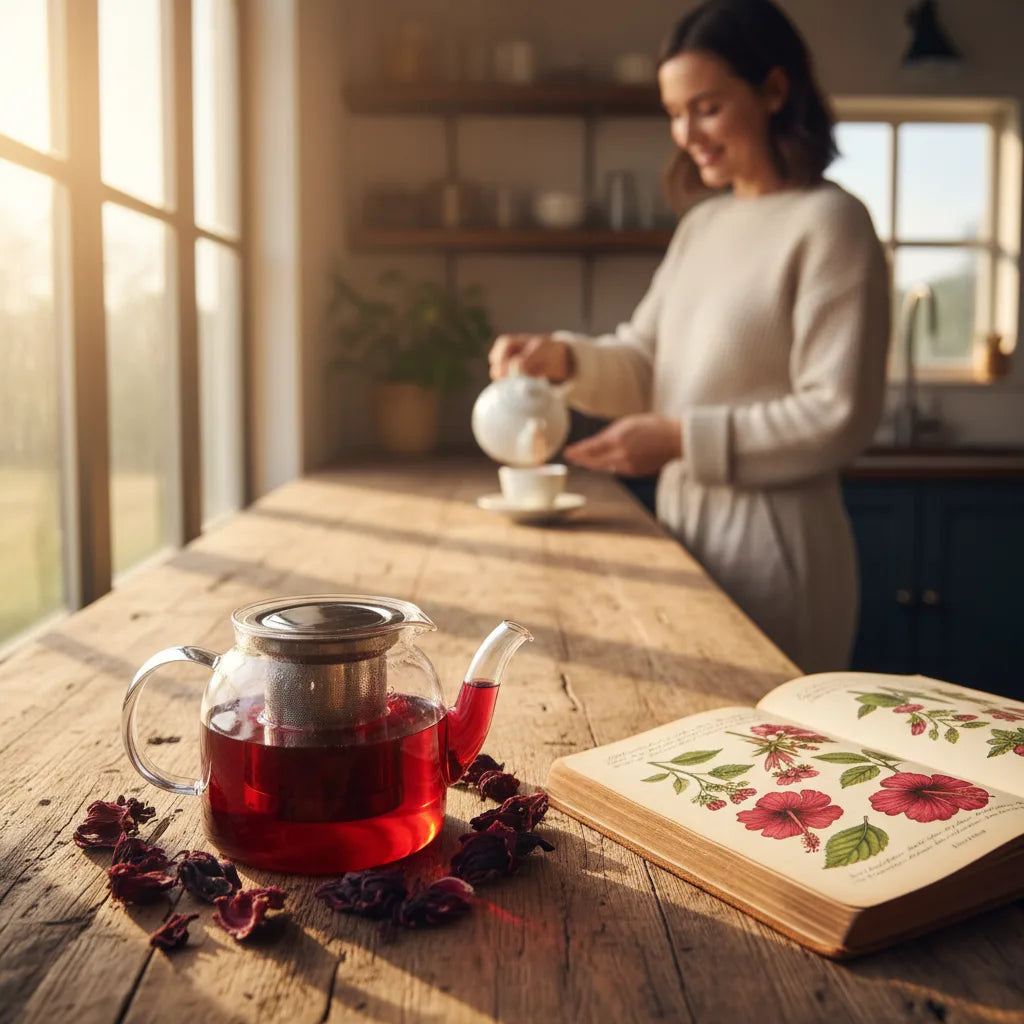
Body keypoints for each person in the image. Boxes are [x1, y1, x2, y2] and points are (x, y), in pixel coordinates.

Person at [487, 0, 890, 673]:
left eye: (705, 108)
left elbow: (837, 415)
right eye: (675, 113)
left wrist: (678, 439)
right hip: (680, 531)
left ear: (773, 90)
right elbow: (647, 362)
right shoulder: (703, 225)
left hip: (777, 550)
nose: (686, 134)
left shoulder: (832, 224)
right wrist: (562, 357)